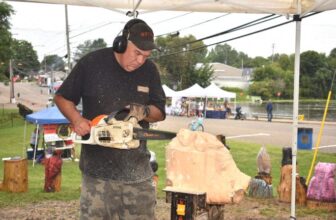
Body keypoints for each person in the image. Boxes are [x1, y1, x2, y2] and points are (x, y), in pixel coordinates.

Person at [54, 18, 166, 220]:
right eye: (137, 53)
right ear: (121, 43)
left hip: (138, 173)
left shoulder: (149, 70)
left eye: (146, 56)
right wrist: (77, 119)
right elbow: (62, 97)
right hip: (98, 174)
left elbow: (160, 111)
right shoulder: (92, 63)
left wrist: (144, 111)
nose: (140, 60)